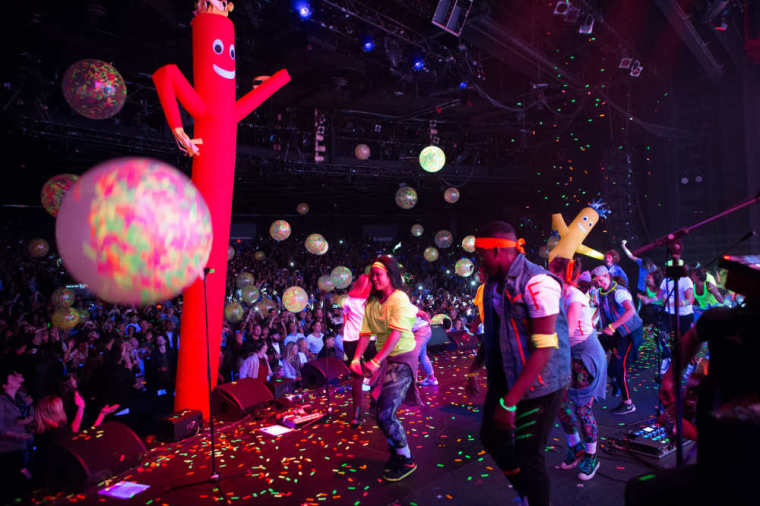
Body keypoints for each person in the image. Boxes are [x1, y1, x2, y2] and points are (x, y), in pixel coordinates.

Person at [466, 222, 569, 506]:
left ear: (497, 250)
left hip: (540, 383)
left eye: (481, 255)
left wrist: (510, 402)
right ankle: (528, 492)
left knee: (529, 454)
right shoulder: (491, 285)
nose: (479, 261)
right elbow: (495, 334)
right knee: (491, 437)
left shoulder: (538, 283)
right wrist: (476, 367)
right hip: (506, 378)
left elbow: (545, 349)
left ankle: (533, 497)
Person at [350, 256, 421, 482]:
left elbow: (396, 334)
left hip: (401, 359)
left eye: (378, 274)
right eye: (372, 274)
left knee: (385, 412)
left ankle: (406, 459)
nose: (374, 278)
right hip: (385, 360)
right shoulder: (371, 303)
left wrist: (375, 361)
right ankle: (397, 454)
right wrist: (357, 357)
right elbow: (364, 333)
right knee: (379, 413)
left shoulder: (399, 298)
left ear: (390, 275)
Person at [550, 257, 606, 481]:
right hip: (566, 355)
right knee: (559, 403)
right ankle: (576, 447)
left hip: (585, 357)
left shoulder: (575, 297)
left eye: (554, 272)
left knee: (583, 409)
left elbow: (566, 333)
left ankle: (592, 456)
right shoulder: (555, 295)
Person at [591, 265, 643, 415]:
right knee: (594, 348)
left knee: (619, 367)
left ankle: (628, 403)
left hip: (629, 332)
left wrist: (613, 326)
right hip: (615, 332)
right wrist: (592, 322)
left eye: (601, 280)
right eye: (597, 282)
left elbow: (631, 311)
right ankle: (604, 383)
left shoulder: (619, 292)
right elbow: (602, 311)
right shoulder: (600, 292)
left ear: (607, 276)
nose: (599, 284)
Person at [341, 274, 374, 427]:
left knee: (356, 378)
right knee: (376, 372)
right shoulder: (373, 301)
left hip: (351, 340)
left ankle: (356, 414)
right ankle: (375, 405)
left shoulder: (348, 301)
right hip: (370, 339)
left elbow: (345, 320)